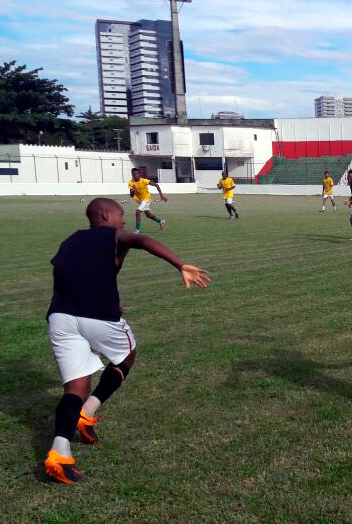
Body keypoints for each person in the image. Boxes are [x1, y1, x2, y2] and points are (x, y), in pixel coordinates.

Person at [43, 198, 210, 484]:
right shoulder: (113, 235)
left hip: (60, 317)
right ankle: (89, 411)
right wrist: (180, 264)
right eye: (120, 215)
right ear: (106, 215)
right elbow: (141, 239)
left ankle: (59, 453)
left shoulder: (70, 241)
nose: (123, 220)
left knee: (75, 387)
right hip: (95, 316)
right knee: (127, 354)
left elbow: (68, 273)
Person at [128, 168, 167, 233]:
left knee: (137, 212)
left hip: (146, 199)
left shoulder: (144, 181)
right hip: (140, 201)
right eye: (134, 174)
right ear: (132, 174)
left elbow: (156, 185)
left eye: (137, 173)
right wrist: (133, 191)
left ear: (139, 174)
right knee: (148, 215)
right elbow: (131, 195)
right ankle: (160, 222)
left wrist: (161, 195)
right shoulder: (131, 182)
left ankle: (137, 231)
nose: (135, 175)